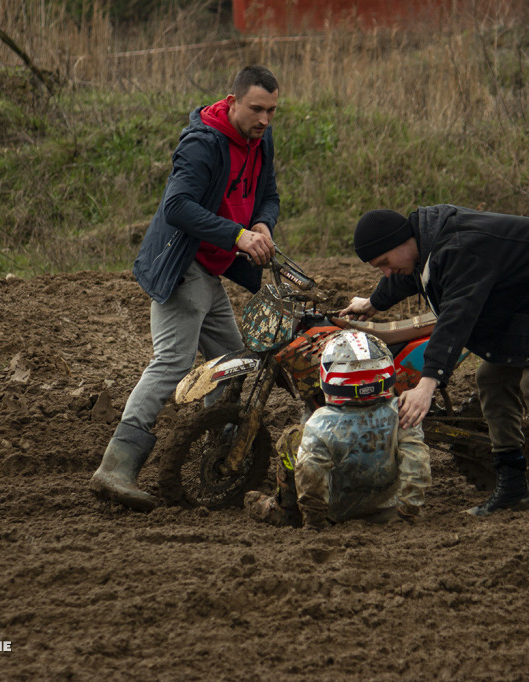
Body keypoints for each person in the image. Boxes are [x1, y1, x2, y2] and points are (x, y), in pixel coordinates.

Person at [339, 206, 529, 515]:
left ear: (401, 241)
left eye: (384, 263)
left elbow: (456, 318)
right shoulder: (424, 244)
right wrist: (373, 303)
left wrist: (426, 385)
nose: (386, 272)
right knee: (492, 381)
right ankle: (512, 489)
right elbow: (408, 276)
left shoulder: (458, 249)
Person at [90, 66, 280, 511]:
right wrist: (237, 237)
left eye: (272, 110)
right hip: (184, 264)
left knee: (234, 361)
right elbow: (177, 207)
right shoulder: (203, 143)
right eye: (256, 109)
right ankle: (116, 467)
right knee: (172, 361)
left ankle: (226, 457)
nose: (265, 119)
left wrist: (260, 223)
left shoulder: (260, 139)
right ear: (231, 102)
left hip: (212, 269)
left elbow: (268, 193)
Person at [244, 330, 432, 529]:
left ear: (329, 377)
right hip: (388, 511)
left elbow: (311, 478)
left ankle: (287, 511)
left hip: (335, 512)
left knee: (290, 439)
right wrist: (407, 513)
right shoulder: (402, 412)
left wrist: (314, 523)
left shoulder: (319, 424)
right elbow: (417, 466)